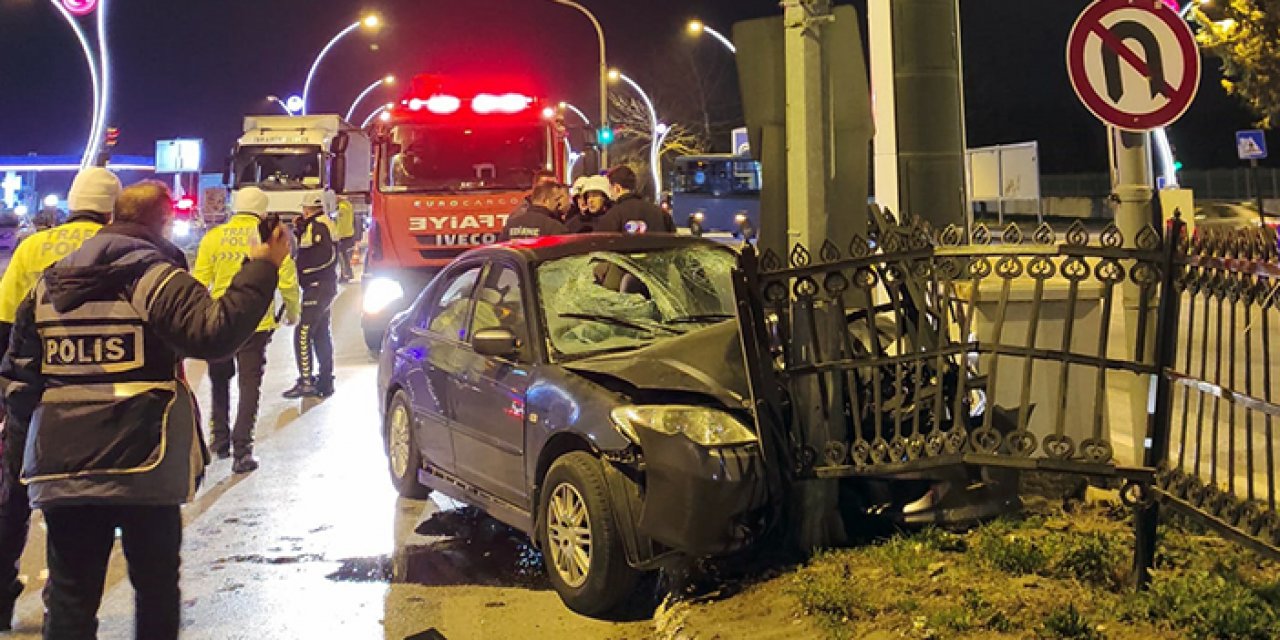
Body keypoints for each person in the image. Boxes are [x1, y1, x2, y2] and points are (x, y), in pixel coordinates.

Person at [0, 179, 292, 640]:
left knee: (71, 595)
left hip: (64, 469)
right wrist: (262, 268)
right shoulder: (155, 277)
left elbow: (19, 388)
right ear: (165, 220)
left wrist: (19, 470)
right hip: (144, 461)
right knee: (155, 592)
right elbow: (214, 335)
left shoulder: (47, 286)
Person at [0, 167, 120, 630]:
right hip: (94, 395)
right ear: (110, 207)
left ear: (70, 202)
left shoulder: (31, 248)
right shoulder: (116, 249)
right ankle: (63, 605)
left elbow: (6, 323)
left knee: (13, 496)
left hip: (33, 395)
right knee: (76, 506)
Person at [193, 187, 302, 473]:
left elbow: (200, 281)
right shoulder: (270, 237)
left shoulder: (213, 237)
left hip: (217, 321)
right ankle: (243, 452)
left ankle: (219, 439)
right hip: (256, 323)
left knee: (219, 380)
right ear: (262, 210)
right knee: (249, 386)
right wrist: (292, 311)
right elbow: (287, 279)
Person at [283, 194, 339, 399]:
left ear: (308, 208)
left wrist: (304, 272)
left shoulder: (319, 226)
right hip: (323, 286)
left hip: (318, 286)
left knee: (304, 332)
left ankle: (306, 382)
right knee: (320, 333)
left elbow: (323, 255)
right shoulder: (319, 223)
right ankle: (325, 380)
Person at [597, 165, 676, 234]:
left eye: (610, 189)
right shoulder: (661, 214)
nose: (610, 193)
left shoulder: (612, 217)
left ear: (617, 188)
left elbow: (602, 246)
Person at [500, 182, 569, 241]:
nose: (559, 204)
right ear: (545, 200)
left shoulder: (511, 225)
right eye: (556, 200)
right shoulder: (554, 228)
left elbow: (501, 251)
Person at [335, 196, 357, 283]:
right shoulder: (348, 206)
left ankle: (345, 275)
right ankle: (348, 273)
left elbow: (341, 224)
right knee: (345, 256)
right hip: (349, 234)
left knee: (342, 257)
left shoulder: (342, 208)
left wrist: (338, 235)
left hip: (343, 236)